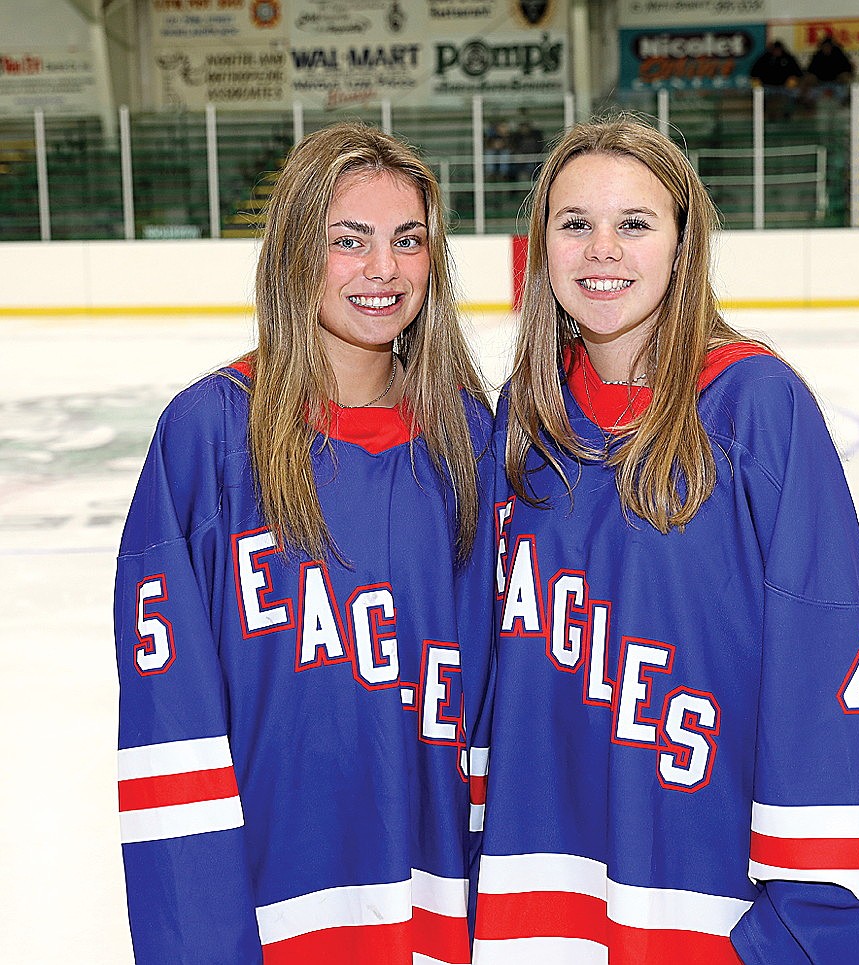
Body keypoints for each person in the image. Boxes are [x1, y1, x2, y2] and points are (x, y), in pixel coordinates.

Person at [473, 117, 859, 963]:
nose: (602, 250)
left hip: (701, 910)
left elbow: (824, 668)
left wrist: (805, 926)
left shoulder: (755, 407)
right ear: (541, 245)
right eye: (575, 222)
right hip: (532, 909)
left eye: (635, 223)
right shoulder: (525, 414)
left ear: (682, 241)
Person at [114, 122, 495, 963]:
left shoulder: (469, 439)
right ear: (293, 251)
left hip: (429, 906)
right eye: (347, 241)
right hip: (263, 907)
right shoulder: (208, 434)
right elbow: (169, 733)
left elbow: (490, 702)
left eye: (408, 241)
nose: (383, 269)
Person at [749, 40, 803, 119]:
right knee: (757, 93)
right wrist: (758, 84)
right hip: (767, 86)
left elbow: (798, 73)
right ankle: (766, 114)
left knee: (795, 93)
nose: (777, 52)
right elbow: (753, 73)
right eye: (775, 50)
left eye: (779, 50)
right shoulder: (764, 58)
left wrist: (792, 82)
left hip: (784, 87)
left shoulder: (788, 58)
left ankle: (787, 113)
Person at [801, 34, 855, 109]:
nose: (826, 48)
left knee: (843, 91)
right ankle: (808, 108)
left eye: (828, 46)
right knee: (810, 91)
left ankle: (845, 104)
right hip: (820, 84)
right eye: (824, 46)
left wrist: (843, 77)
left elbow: (849, 69)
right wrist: (812, 79)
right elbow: (810, 71)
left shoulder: (839, 55)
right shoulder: (817, 56)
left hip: (837, 83)